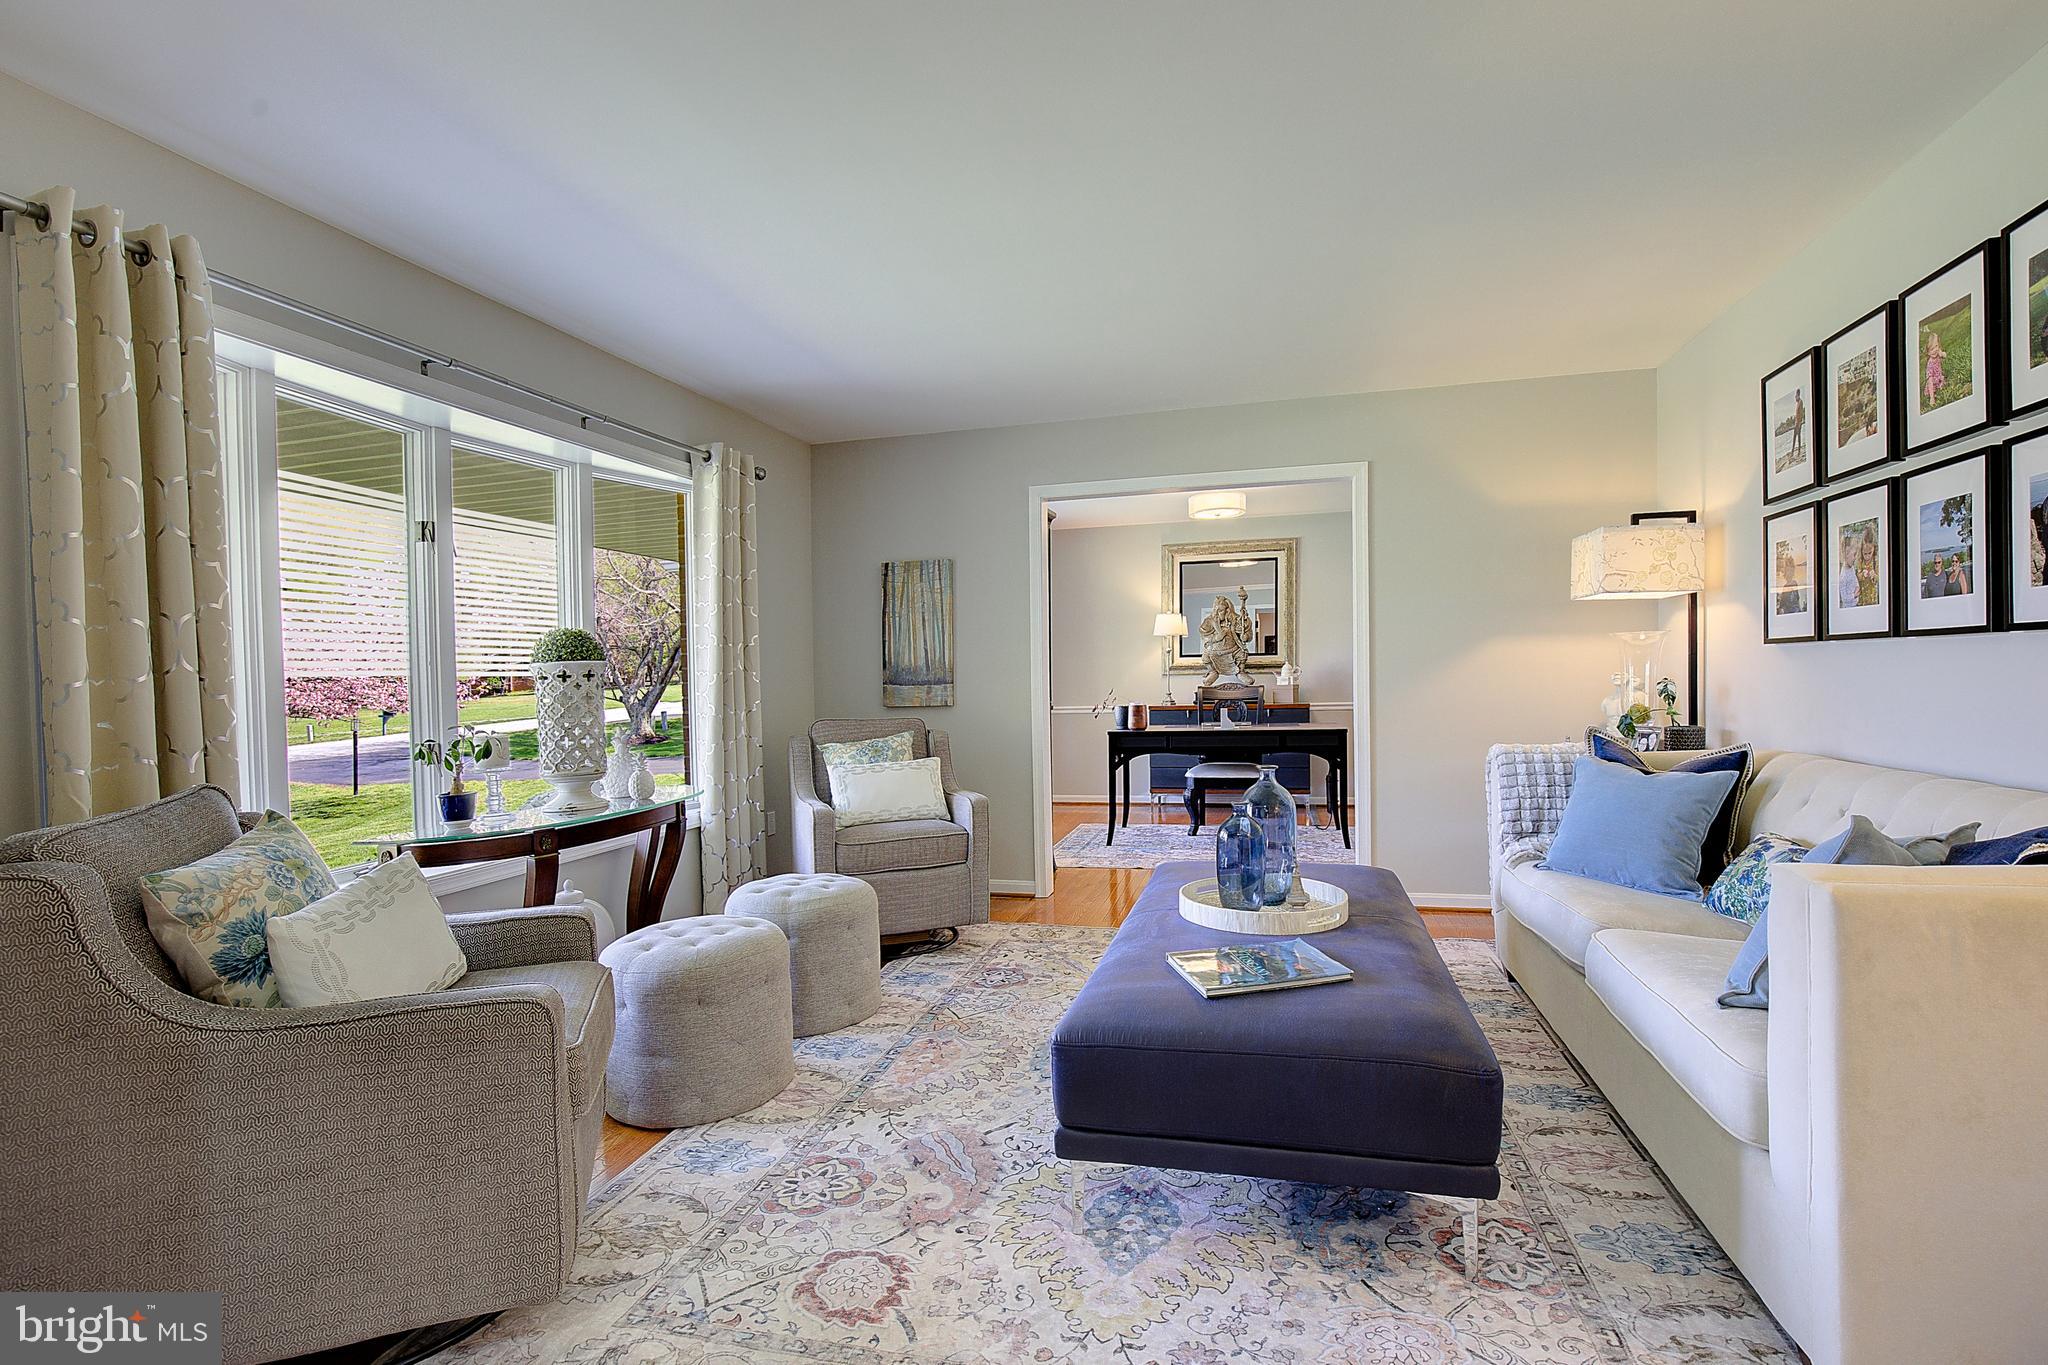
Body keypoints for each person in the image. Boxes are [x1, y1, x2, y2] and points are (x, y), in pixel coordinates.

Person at [1924, 327, 1948, 410]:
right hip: (1933, 384)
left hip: (1939, 378)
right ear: (1927, 352)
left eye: (1936, 346)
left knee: (1943, 382)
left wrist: (1942, 353)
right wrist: (1932, 398)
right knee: (1938, 389)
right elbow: (1930, 381)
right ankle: (1933, 394)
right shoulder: (1930, 365)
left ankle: (1941, 385)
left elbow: (1945, 355)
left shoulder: (1938, 352)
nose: (1935, 350)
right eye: (1932, 349)